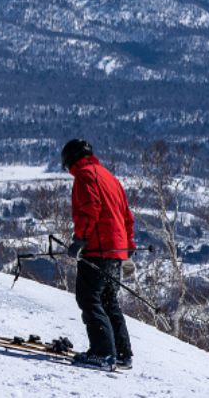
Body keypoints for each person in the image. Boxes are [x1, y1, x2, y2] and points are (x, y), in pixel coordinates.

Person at [62, 138, 136, 371]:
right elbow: (126, 215)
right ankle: (122, 354)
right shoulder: (109, 177)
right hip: (116, 249)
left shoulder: (85, 175)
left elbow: (89, 208)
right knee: (108, 300)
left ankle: (103, 353)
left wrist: (80, 239)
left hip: (98, 248)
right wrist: (128, 244)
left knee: (89, 298)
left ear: (70, 159)